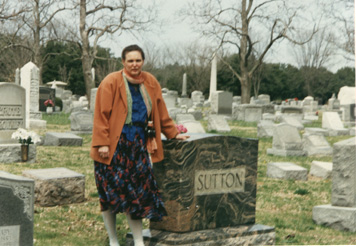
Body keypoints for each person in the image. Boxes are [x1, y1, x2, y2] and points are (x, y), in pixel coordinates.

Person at [90, 44, 189, 246]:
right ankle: (113, 240)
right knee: (110, 195)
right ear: (123, 62)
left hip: (137, 145)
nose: (134, 64)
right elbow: (101, 114)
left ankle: (138, 241)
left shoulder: (150, 81)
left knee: (135, 194)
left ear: (143, 61)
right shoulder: (111, 82)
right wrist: (102, 143)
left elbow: (160, 111)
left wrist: (172, 133)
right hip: (112, 146)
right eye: (130, 61)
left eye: (138, 60)